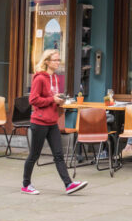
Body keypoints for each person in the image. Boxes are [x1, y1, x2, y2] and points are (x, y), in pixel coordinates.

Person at [21, 49, 87, 195]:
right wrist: (52, 99)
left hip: (52, 122)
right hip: (39, 122)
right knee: (34, 155)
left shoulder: (56, 78)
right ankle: (26, 184)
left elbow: (52, 97)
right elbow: (33, 100)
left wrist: (60, 101)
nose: (58, 63)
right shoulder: (39, 78)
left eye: (59, 60)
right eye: (55, 60)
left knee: (59, 154)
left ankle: (68, 184)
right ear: (47, 62)